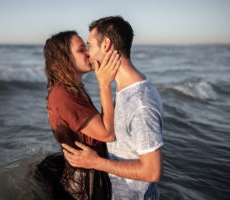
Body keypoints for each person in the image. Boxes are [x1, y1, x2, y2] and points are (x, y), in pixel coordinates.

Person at [62, 16, 164, 200]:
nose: (87, 53)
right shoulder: (124, 88)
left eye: (90, 45)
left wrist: (95, 162)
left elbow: (152, 171)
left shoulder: (140, 103)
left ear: (106, 45)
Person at [41, 30, 121, 200]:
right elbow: (107, 134)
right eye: (81, 49)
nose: (88, 53)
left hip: (86, 177)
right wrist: (104, 84)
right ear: (65, 58)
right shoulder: (62, 95)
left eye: (87, 47)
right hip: (84, 190)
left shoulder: (73, 90)